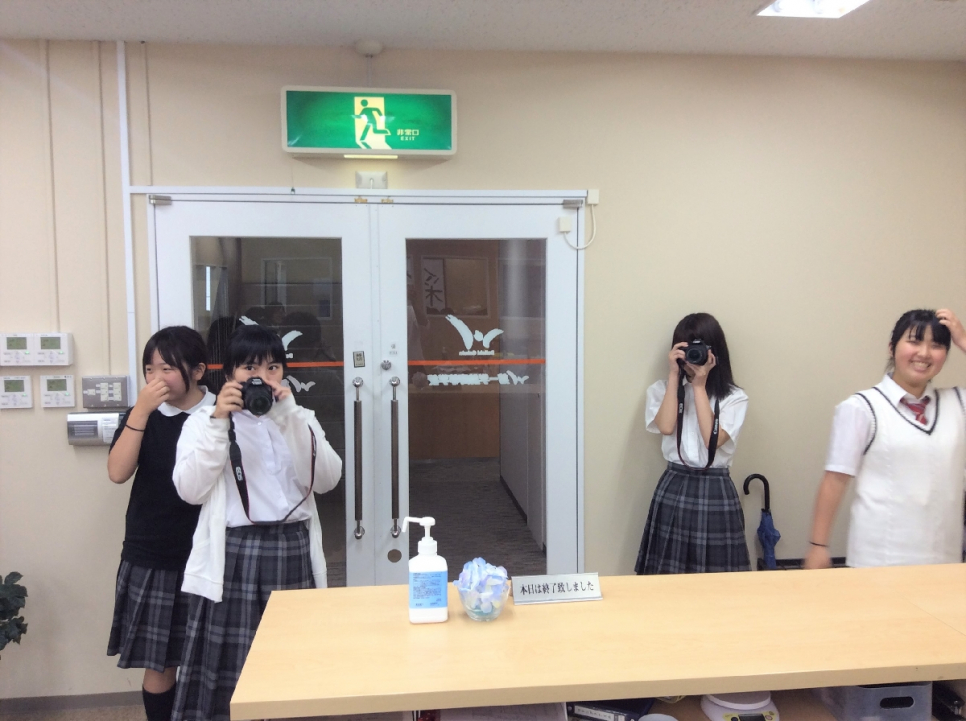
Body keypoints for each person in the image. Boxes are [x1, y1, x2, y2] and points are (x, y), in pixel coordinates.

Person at [171, 324, 343, 721]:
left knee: (293, 664)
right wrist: (219, 421)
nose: (262, 377)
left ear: (284, 372)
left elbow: (328, 480)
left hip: (292, 547)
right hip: (236, 555)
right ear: (230, 373)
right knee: (234, 673)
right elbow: (190, 490)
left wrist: (291, 419)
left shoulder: (300, 417)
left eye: (272, 367)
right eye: (250, 367)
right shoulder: (204, 421)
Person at [106, 326, 214, 721]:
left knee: (217, 659)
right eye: (149, 369)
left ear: (197, 371)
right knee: (161, 662)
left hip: (213, 552)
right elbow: (117, 472)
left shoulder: (220, 413)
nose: (156, 378)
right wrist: (139, 412)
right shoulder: (144, 416)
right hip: (153, 550)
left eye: (167, 368)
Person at [804, 309, 966, 569]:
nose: (924, 353)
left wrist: (964, 340)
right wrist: (818, 546)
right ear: (892, 348)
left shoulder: (958, 403)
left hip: (945, 563)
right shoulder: (861, 408)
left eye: (936, 345)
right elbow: (835, 480)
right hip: (879, 561)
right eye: (914, 341)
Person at [635, 313, 751, 574]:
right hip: (674, 484)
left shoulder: (734, 398)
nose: (691, 357)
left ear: (714, 352)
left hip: (716, 488)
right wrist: (674, 376)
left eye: (698, 349)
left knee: (717, 578)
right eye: (685, 349)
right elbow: (666, 427)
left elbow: (713, 440)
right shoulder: (661, 390)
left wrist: (699, 387)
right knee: (667, 577)